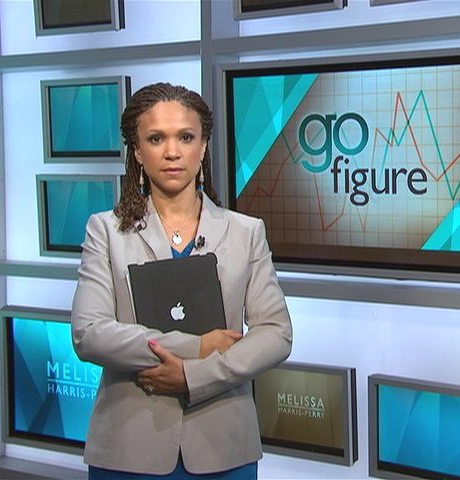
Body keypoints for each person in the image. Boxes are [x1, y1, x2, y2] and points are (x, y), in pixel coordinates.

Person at [71, 82, 292, 479]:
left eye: (185, 137)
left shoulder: (246, 232)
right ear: (137, 151)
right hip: (128, 448)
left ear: (203, 146)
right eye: (156, 139)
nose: (172, 152)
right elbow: (90, 334)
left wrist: (194, 377)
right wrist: (197, 346)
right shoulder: (105, 231)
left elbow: (276, 334)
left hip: (223, 447)